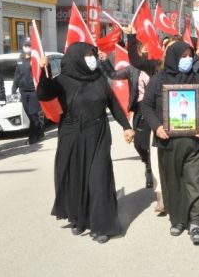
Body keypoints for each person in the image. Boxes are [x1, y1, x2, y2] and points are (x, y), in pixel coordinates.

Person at [37, 42, 134, 244]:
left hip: (97, 133)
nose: (92, 58)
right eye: (89, 54)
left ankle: (102, 225)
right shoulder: (62, 80)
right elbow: (44, 94)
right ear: (77, 57)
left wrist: (126, 126)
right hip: (71, 135)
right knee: (76, 179)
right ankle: (79, 219)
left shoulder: (99, 78)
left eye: (93, 54)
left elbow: (113, 105)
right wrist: (42, 70)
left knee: (98, 180)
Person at [141, 41, 199, 245]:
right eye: (182, 56)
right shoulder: (158, 80)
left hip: (194, 142)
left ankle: (195, 223)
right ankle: (178, 220)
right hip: (168, 143)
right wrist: (157, 126)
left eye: (189, 55)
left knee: (195, 183)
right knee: (172, 183)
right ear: (173, 57)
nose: (187, 59)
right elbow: (146, 106)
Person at [99, 44, 154, 189]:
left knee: (152, 141)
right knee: (138, 143)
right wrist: (105, 61)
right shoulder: (132, 69)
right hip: (139, 108)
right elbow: (113, 75)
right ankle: (147, 161)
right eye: (143, 48)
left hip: (155, 109)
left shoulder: (157, 67)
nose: (146, 50)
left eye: (148, 48)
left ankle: (150, 170)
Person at [11, 38, 45, 146]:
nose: (27, 47)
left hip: (33, 90)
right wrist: (14, 88)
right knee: (29, 114)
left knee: (33, 113)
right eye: (26, 45)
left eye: (29, 45)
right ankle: (40, 132)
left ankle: (33, 136)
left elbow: (41, 72)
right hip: (23, 90)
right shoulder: (19, 60)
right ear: (22, 47)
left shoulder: (35, 59)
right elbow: (17, 75)